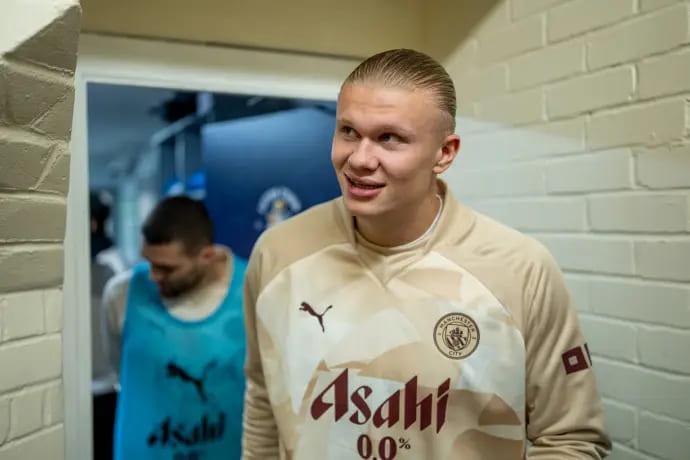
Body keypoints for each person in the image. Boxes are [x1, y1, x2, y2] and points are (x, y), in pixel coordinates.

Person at [241, 49, 611, 459]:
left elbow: (570, 438)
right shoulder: (279, 254)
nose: (359, 159)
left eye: (389, 138)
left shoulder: (519, 269)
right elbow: (264, 400)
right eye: (348, 131)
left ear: (445, 153)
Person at [102, 196, 248, 460]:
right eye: (149, 262)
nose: (153, 275)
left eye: (166, 268)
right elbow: (119, 370)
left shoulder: (252, 290)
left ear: (206, 256)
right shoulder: (121, 295)